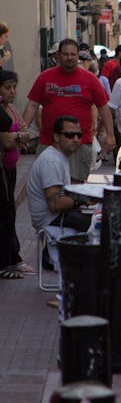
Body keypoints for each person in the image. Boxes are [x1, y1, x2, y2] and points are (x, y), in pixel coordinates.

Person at [23, 38, 115, 183]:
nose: (69, 58)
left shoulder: (90, 79)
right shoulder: (44, 77)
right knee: (48, 184)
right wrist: (24, 129)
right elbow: (33, 105)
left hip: (79, 142)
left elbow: (103, 108)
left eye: (73, 54)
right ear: (58, 56)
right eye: (65, 54)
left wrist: (110, 135)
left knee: (76, 186)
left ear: (78, 56)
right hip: (49, 142)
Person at [27, 116, 92, 268]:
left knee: (101, 218)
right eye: (69, 135)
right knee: (104, 226)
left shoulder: (60, 156)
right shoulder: (52, 161)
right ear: (56, 137)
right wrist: (82, 199)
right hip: (50, 219)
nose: (76, 139)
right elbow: (55, 204)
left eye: (79, 135)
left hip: (57, 216)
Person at [0, 71, 33, 276]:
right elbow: (7, 141)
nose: (12, 91)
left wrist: (19, 136)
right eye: (7, 87)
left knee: (9, 213)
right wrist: (19, 136)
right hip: (2, 170)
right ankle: (6, 261)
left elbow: (25, 133)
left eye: (14, 87)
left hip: (11, 169)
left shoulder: (10, 108)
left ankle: (13, 257)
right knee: (5, 213)